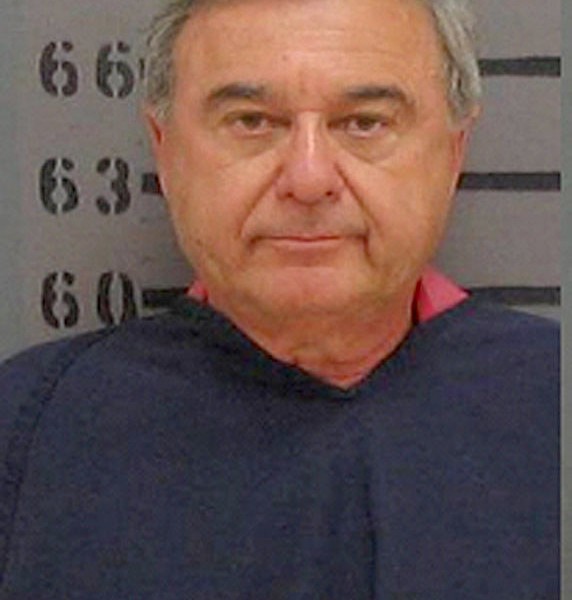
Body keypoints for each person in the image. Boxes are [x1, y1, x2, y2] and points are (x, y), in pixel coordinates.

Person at [0, 0, 559, 597]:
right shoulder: (26, 430)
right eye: (251, 122)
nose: (309, 179)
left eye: (364, 123)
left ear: (454, 152)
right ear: (164, 150)